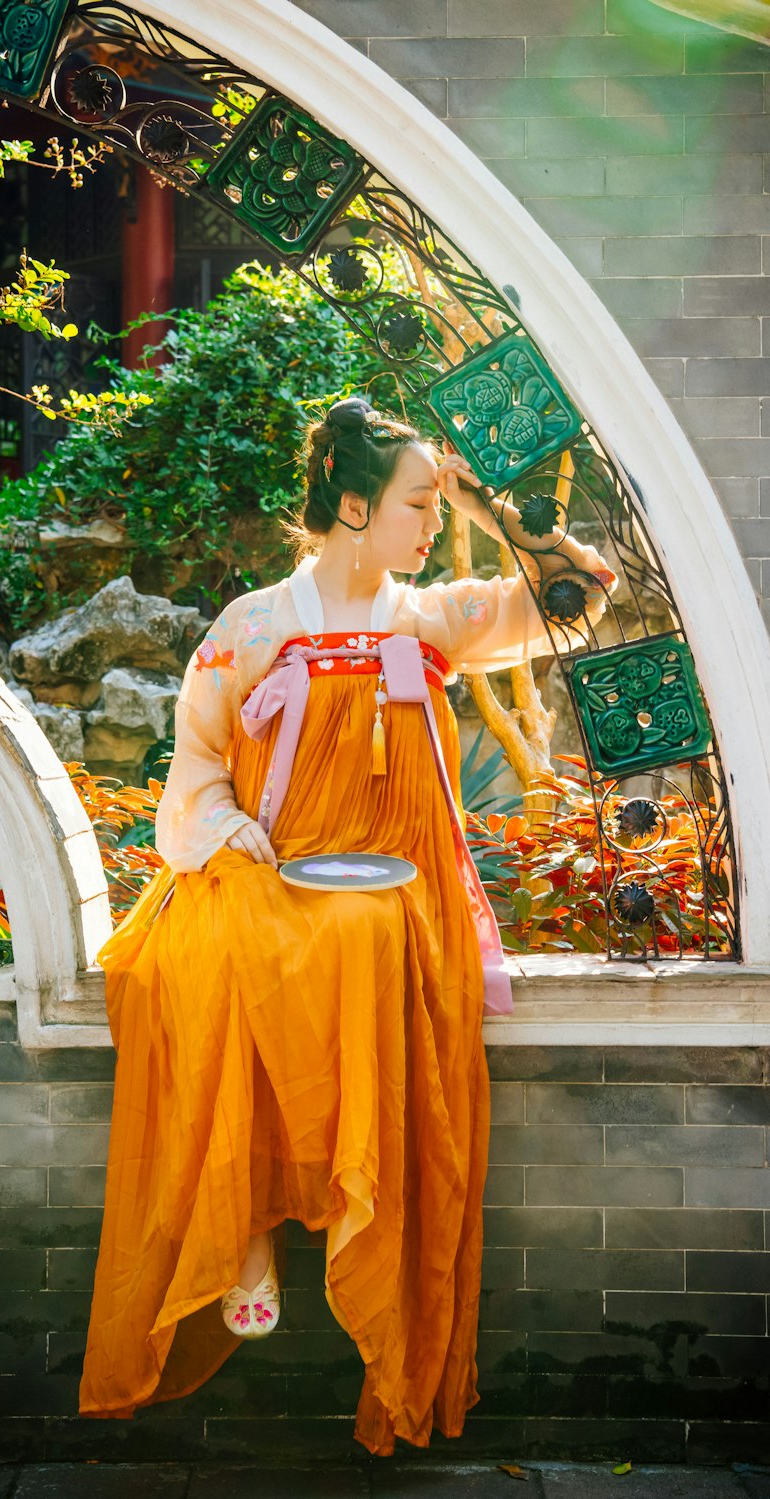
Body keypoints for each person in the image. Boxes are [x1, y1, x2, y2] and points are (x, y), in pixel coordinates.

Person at [78, 396, 614, 1455]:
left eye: (435, 504)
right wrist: (226, 826)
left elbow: (580, 595)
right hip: (273, 870)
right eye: (418, 503)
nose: (429, 525)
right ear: (355, 506)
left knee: (361, 942)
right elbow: (190, 769)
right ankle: (246, 1235)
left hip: (392, 888)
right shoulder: (252, 624)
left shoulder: (425, 619)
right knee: (203, 957)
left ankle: (323, 1228)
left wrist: (492, 506)